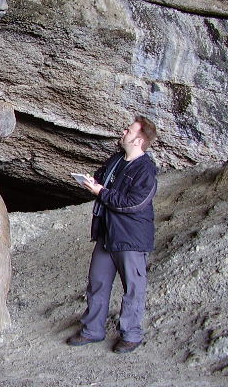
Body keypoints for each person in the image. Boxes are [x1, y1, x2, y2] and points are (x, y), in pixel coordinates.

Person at [67, 115, 158, 354]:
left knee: (133, 288)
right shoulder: (117, 159)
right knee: (97, 282)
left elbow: (133, 203)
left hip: (131, 237)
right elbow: (101, 178)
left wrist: (101, 192)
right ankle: (93, 330)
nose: (123, 132)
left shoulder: (146, 170)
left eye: (129, 131)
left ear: (138, 140)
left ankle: (131, 334)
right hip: (107, 233)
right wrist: (92, 182)